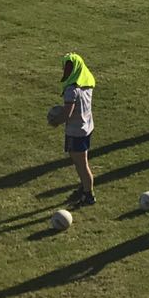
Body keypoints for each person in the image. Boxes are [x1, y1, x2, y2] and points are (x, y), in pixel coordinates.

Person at [51, 52, 98, 205]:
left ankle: (88, 194)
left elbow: (68, 113)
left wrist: (56, 121)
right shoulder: (86, 83)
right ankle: (85, 186)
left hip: (76, 131)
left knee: (81, 164)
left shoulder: (71, 90)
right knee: (80, 161)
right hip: (86, 127)